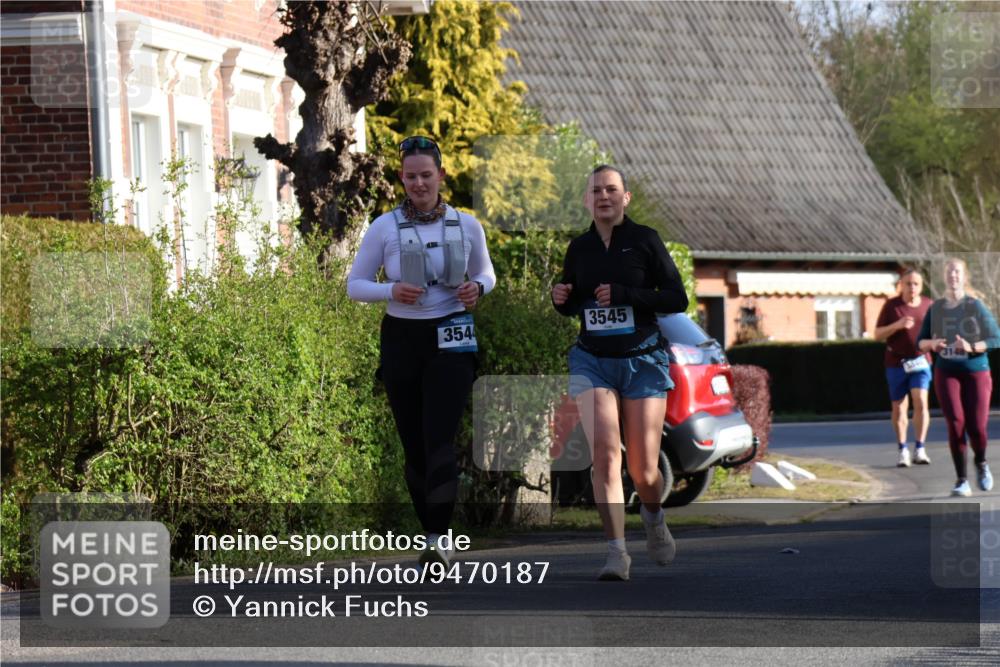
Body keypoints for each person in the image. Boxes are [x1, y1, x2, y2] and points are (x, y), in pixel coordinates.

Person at [347, 136, 496, 565]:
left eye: (426, 175)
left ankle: (438, 538)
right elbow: (355, 285)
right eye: (410, 176)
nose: (419, 184)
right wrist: (390, 290)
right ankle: (430, 531)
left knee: (439, 440)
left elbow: (487, 273)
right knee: (414, 445)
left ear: (441, 175)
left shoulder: (467, 225)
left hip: (452, 334)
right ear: (401, 178)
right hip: (402, 338)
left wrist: (477, 288)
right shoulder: (384, 227)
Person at [551, 165, 689, 580]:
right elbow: (574, 302)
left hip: (642, 360)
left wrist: (627, 294)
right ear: (586, 200)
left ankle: (653, 516)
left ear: (625, 198)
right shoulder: (579, 248)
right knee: (606, 455)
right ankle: (616, 552)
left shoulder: (645, 240)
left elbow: (676, 298)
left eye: (611, 189)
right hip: (592, 361)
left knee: (643, 470)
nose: (604, 196)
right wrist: (560, 298)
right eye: (596, 190)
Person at [917, 258, 1000, 497]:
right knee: (955, 423)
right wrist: (932, 343)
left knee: (977, 427)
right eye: (949, 272)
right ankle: (961, 480)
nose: (953, 275)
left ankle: (981, 462)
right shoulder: (936, 308)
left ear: (964, 277)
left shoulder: (975, 306)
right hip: (947, 371)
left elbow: (995, 338)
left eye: (957, 272)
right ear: (944, 277)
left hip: (976, 371)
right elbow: (920, 342)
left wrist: (971, 347)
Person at [873, 269, 933, 467]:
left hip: (921, 361)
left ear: (921, 286)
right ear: (901, 285)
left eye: (916, 284)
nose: (912, 287)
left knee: (921, 400)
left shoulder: (928, 305)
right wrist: (896, 325)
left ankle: (920, 448)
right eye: (908, 283)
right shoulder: (892, 306)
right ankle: (903, 449)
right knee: (899, 407)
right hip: (896, 362)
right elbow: (877, 334)